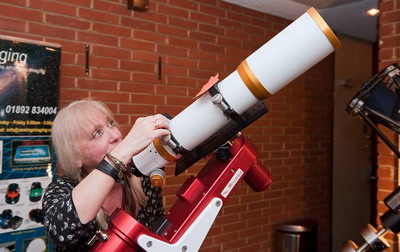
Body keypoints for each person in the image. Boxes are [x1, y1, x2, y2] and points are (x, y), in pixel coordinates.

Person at [42, 99, 170, 251]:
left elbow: (157, 235)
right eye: (97, 133)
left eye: (110, 124)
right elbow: (60, 233)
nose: (115, 134)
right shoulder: (61, 190)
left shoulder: (144, 178)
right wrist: (123, 151)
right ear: (76, 158)